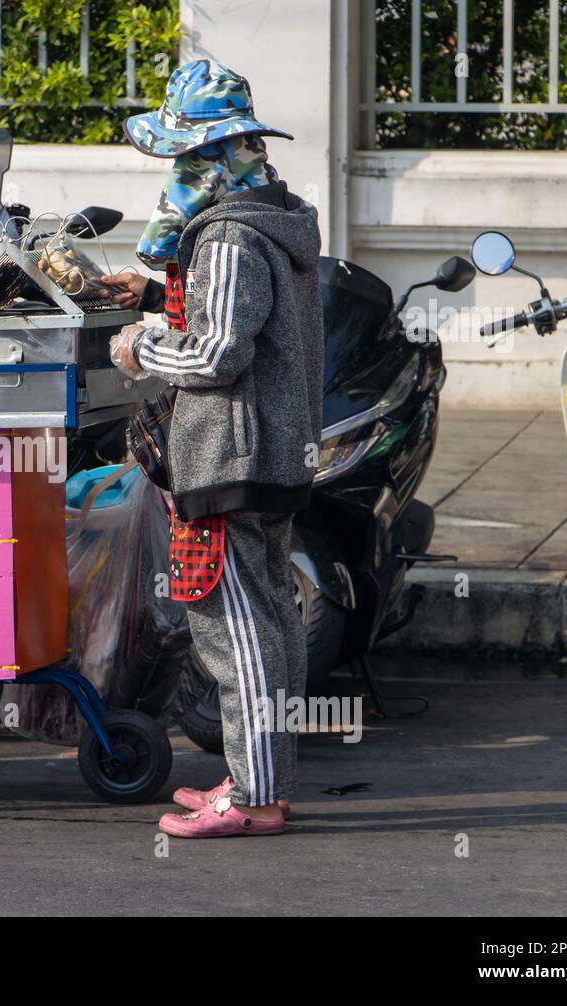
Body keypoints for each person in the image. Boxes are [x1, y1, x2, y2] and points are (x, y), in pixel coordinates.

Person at [104, 58, 324, 839]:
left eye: (183, 159)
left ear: (211, 158)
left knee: (237, 631)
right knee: (268, 619)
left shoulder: (230, 238)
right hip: (271, 450)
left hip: (232, 453)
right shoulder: (275, 217)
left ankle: (255, 800)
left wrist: (141, 348)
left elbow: (218, 355)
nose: (174, 176)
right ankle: (259, 781)